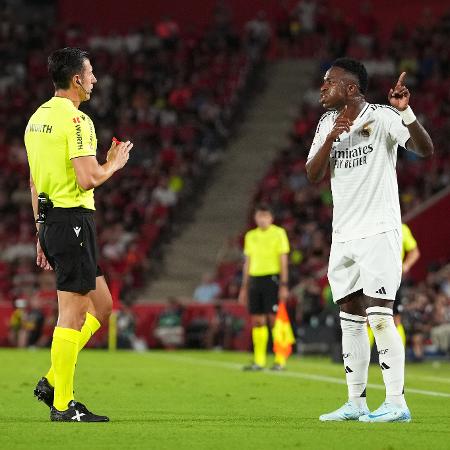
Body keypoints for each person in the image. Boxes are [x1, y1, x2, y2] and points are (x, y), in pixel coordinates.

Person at [306, 58, 433, 422]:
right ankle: (355, 403)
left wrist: (406, 113)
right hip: (343, 234)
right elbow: (312, 174)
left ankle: (396, 402)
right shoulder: (326, 122)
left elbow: (424, 150)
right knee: (349, 318)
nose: (322, 88)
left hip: (378, 229)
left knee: (379, 316)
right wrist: (332, 139)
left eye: (329, 82)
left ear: (350, 88)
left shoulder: (382, 116)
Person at [25, 47, 133, 422]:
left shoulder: (36, 119)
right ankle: (62, 405)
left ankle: (53, 380)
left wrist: (41, 231)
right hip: (73, 220)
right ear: (76, 79)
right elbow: (89, 178)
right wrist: (113, 163)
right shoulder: (76, 121)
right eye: (90, 74)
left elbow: (34, 180)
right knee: (71, 315)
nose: (94, 80)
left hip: (55, 221)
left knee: (102, 306)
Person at [238, 204, 290, 370]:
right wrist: (244, 287)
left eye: (265, 216)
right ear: (255, 218)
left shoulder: (278, 233)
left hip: (272, 279)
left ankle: (280, 360)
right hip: (255, 280)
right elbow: (248, 263)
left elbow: (283, 260)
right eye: (259, 216)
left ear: (271, 218)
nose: (262, 219)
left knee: (274, 320)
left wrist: (284, 285)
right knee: (257, 320)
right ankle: (258, 361)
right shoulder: (250, 236)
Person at [368, 223, 420, 348]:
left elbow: (415, 252)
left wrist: (405, 266)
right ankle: (364, 358)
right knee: (369, 317)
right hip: (374, 277)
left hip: (393, 278)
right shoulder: (374, 227)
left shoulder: (402, 228)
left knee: (395, 318)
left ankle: (399, 355)